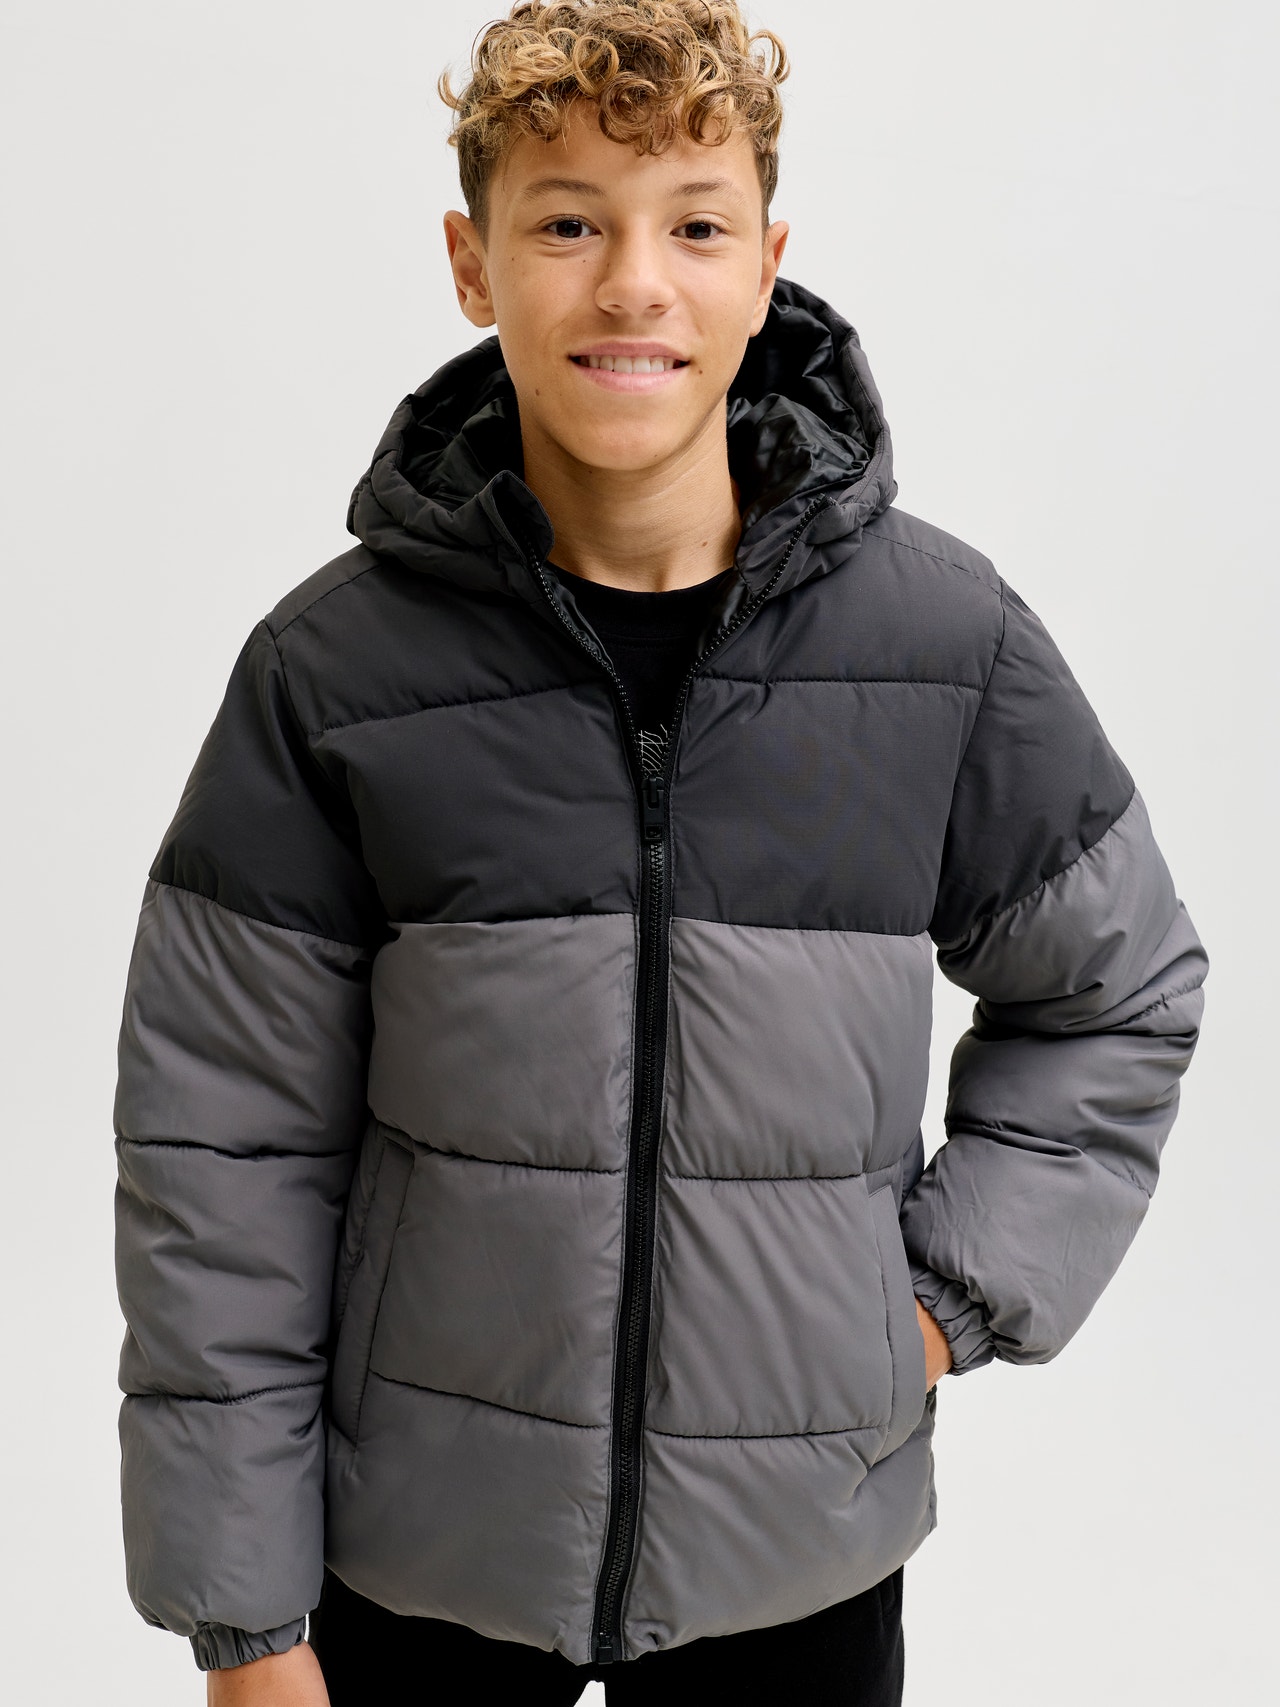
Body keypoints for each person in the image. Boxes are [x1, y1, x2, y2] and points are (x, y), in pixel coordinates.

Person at [110, 3, 1209, 1703]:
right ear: (473, 265)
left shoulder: (945, 650)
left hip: (796, 1561)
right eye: (568, 223)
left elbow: (1117, 994)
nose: (634, 283)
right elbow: (221, 1151)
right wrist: (244, 1622)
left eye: (694, 227)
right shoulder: (334, 677)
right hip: (416, 1557)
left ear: (768, 266)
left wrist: (930, 1306)